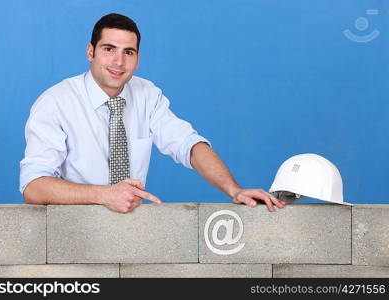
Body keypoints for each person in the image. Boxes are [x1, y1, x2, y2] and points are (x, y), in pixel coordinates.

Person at [20, 13, 286, 214]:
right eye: (108, 49)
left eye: (128, 52)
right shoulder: (55, 102)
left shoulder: (146, 94)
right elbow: (33, 186)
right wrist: (104, 195)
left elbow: (188, 144)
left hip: (132, 227)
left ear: (137, 58)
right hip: (70, 230)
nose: (118, 62)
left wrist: (235, 189)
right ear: (91, 52)